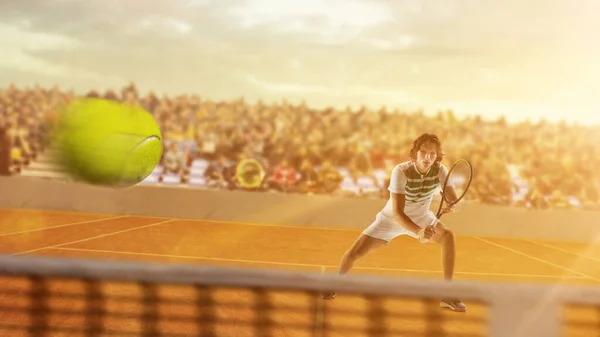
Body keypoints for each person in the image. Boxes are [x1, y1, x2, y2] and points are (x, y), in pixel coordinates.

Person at [321, 133, 467, 313]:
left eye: (432, 153)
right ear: (415, 153)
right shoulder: (401, 171)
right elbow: (398, 212)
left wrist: (450, 205)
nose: (428, 157)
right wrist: (419, 231)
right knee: (354, 253)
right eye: (423, 152)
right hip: (391, 218)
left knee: (448, 236)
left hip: (422, 216)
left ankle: (448, 293)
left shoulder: (440, 171)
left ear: (437, 155)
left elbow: (454, 201)